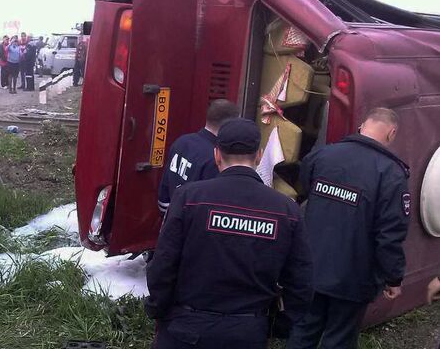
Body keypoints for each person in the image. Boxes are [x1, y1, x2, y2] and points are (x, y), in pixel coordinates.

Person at [145, 118, 313, 349]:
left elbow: (163, 264)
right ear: (258, 155)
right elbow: (301, 280)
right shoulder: (286, 209)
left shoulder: (189, 198)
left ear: (216, 155)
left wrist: (158, 309)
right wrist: (278, 326)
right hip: (247, 332)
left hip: (185, 327)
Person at [288, 107, 411, 349]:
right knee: (340, 338)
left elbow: (305, 187)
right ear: (391, 133)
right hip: (353, 276)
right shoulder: (391, 174)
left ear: (362, 126)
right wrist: (393, 277)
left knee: (303, 330)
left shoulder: (323, 155)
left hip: (312, 265)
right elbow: (389, 235)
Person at [157, 99, 239, 215]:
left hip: (172, 217)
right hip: (192, 225)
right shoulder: (215, 159)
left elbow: (164, 188)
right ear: (229, 125)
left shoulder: (182, 141)